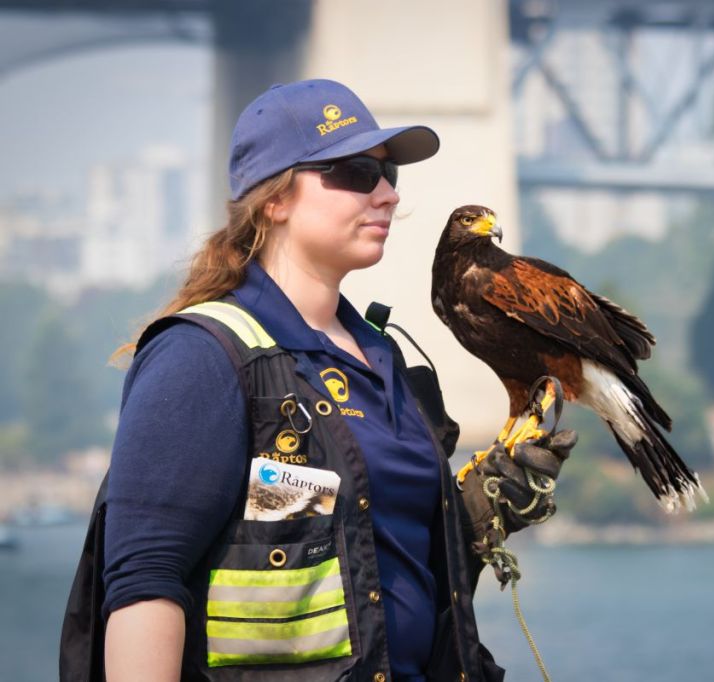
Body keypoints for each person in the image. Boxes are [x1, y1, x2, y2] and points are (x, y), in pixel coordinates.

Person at [62, 79, 575, 682]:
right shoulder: (202, 358)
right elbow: (146, 582)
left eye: (390, 176)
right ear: (274, 200)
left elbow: (353, 556)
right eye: (356, 172)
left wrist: (466, 525)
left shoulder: (385, 360)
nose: (386, 195)